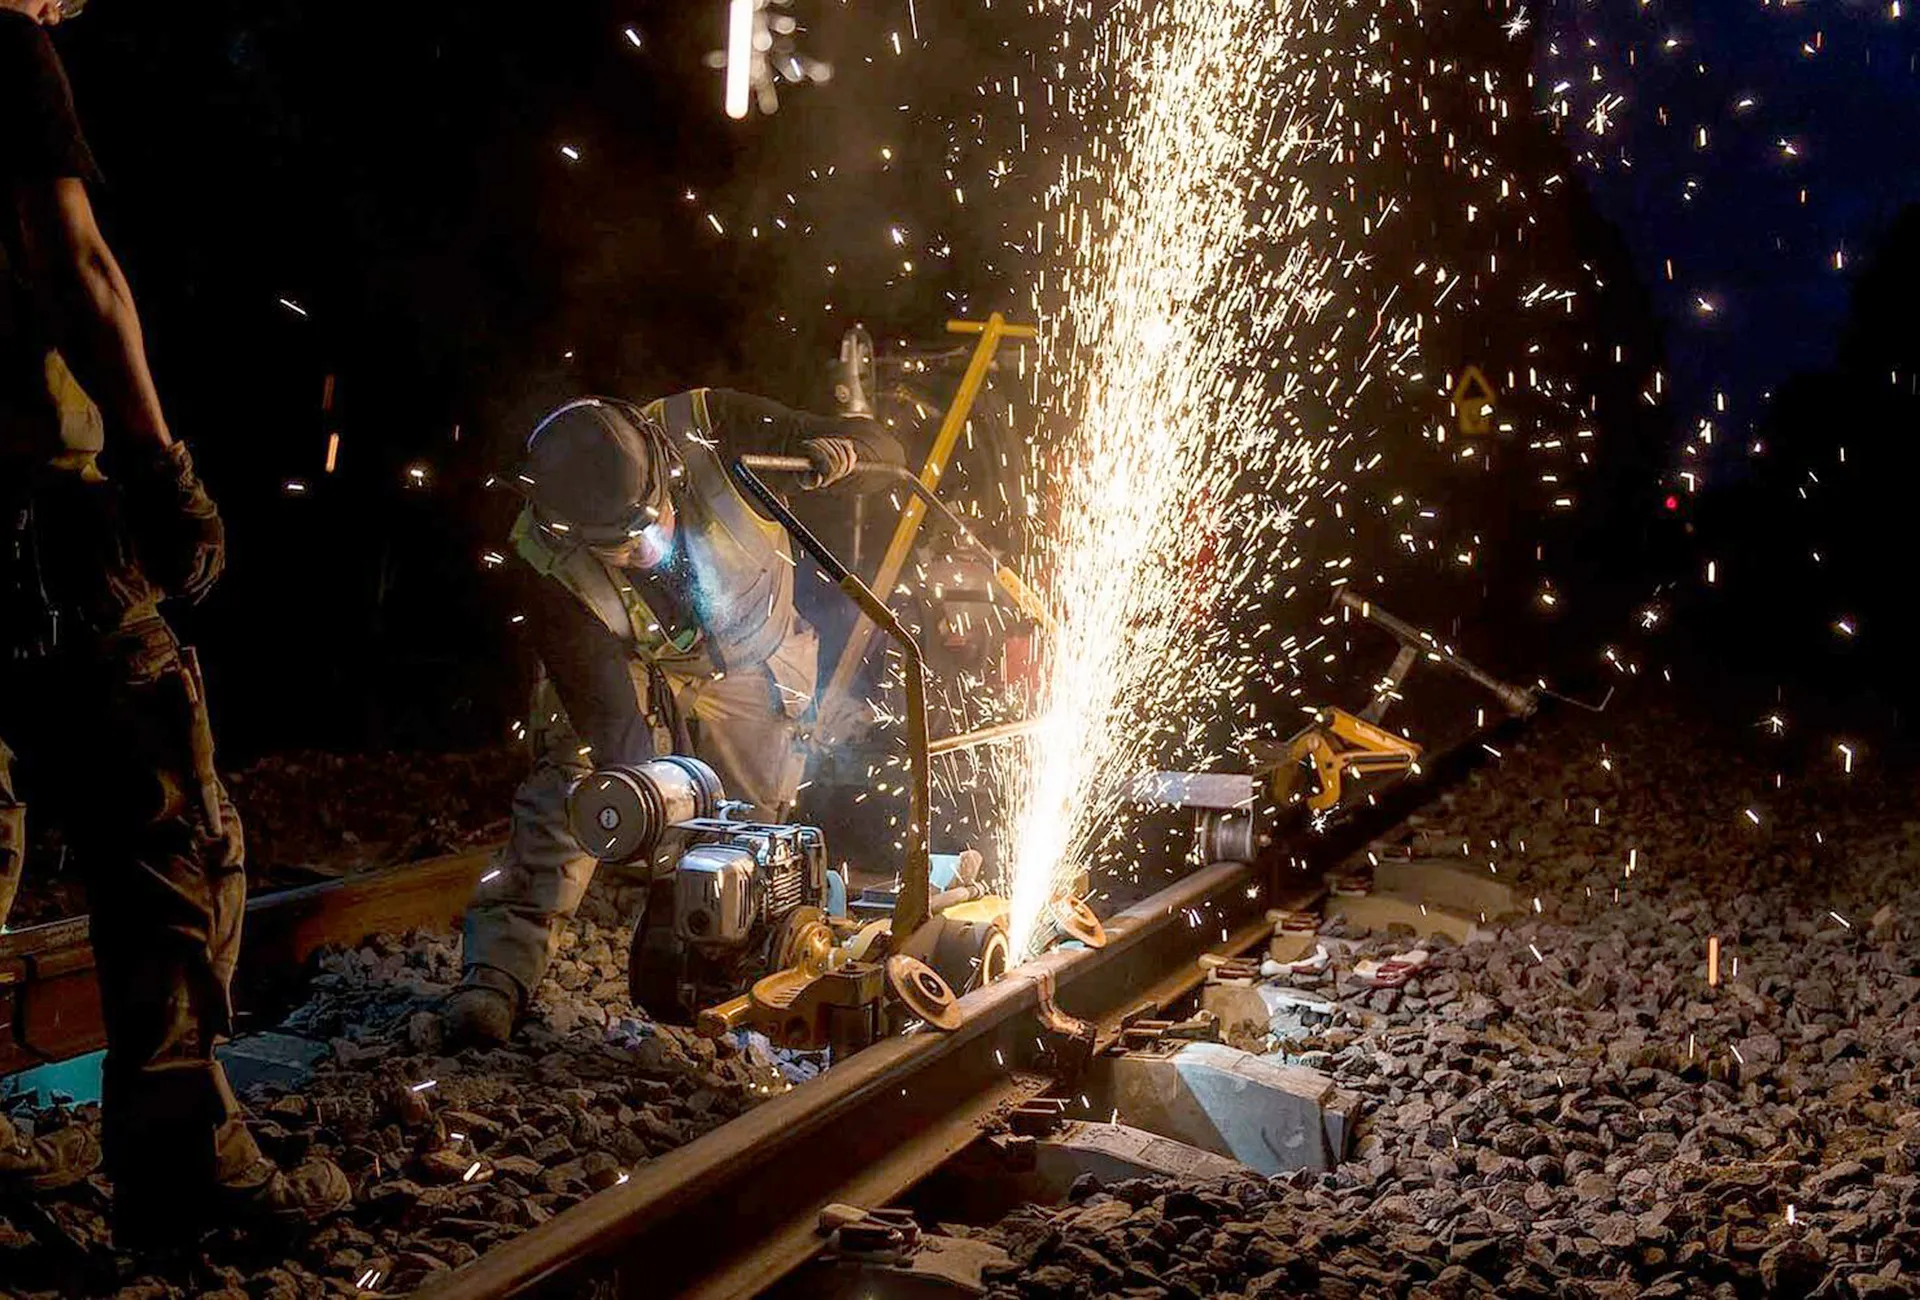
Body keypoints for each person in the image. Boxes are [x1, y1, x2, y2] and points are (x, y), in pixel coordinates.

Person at [0, 0, 348, 1247]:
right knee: (169, 832)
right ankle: (179, 1158)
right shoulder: (1, 49)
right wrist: (158, 467)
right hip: (40, 520)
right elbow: (72, 260)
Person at [443, 386, 902, 1045]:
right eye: (618, 548)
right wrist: (640, 805)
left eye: (646, 527)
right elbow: (608, 716)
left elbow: (886, 445)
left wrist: (848, 452)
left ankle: (744, 974)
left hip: (757, 662)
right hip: (632, 662)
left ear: (666, 470)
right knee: (580, 784)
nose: (644, 552)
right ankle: (496, 974)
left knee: (755, 835)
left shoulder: (715, 428)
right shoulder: (544, 558)